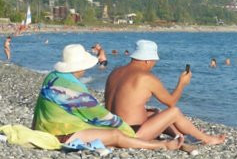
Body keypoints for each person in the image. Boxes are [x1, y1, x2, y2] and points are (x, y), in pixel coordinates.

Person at [32, 44, 183, 150]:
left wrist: (34, 130)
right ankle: (162, 145)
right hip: (63, 134)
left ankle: (164, 141)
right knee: (116, 135)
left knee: (110, 136)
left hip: (46, 128)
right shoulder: (72, 87)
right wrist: (124, 128)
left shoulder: (53, 77)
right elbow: (97, 113)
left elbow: (40, 107)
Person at [104, 40, 226, 145]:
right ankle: (206, 139)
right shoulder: (146, 77)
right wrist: (181, 83)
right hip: (131, 135)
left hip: (112, 129)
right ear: (147, 60)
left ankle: (179, 135)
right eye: (153, 61)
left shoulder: (115, 72)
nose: (153, 65)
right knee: (174, 112)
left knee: (155, 112)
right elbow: (171, 102)